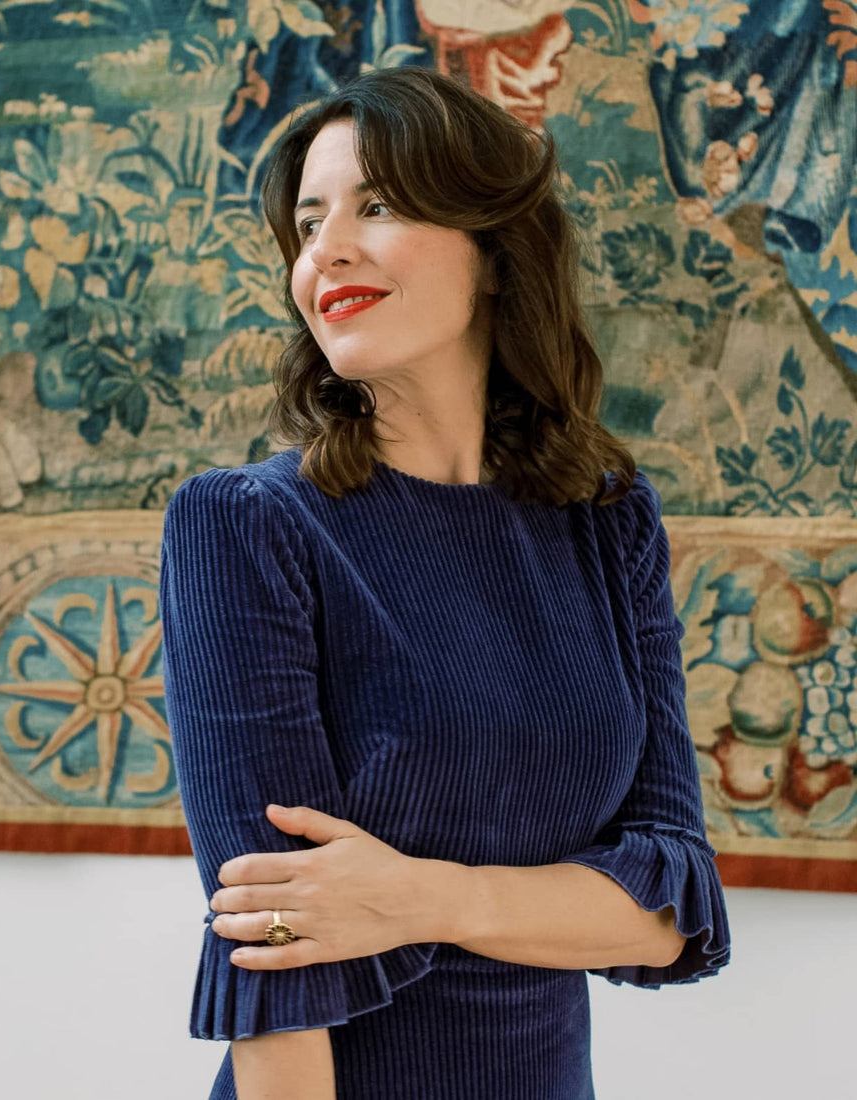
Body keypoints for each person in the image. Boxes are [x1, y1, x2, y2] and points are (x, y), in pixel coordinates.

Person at [159, 66, 730, 1100]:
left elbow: (666, 906)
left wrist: (423, 897)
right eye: (308, 222)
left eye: (377, 205)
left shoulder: (606, 519)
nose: (327, 249)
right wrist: (544, 902)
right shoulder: (245, 524)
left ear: (496, 251)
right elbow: (271, 934)